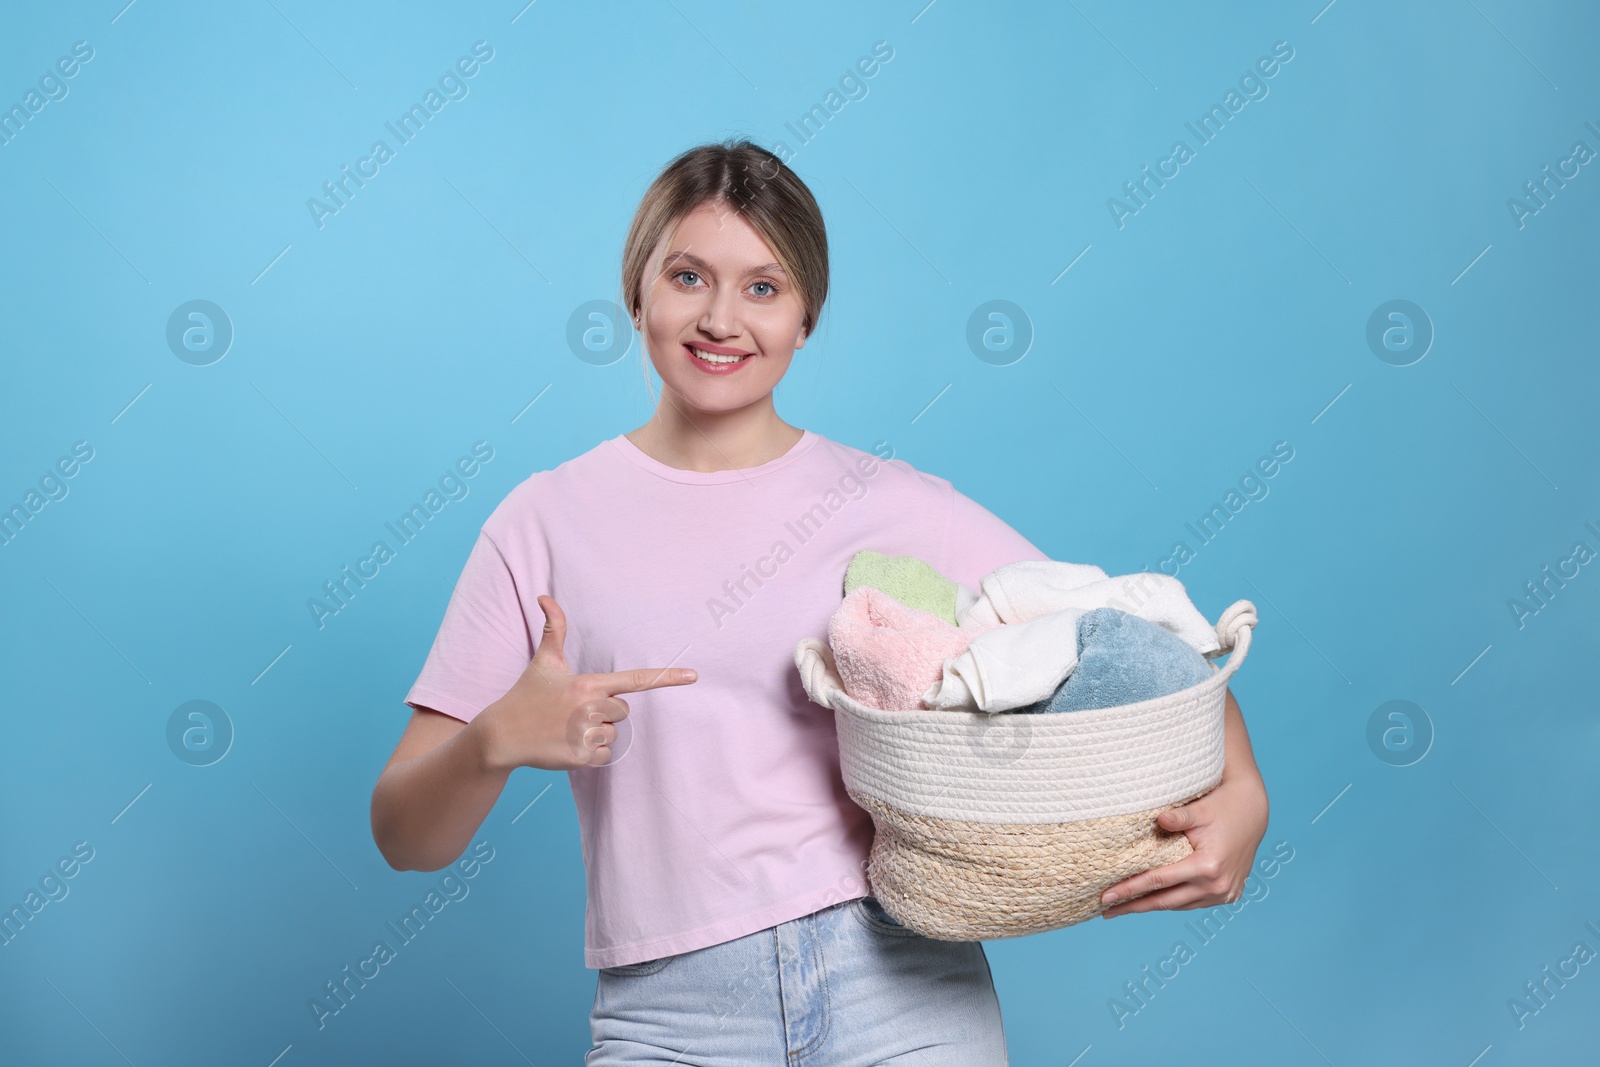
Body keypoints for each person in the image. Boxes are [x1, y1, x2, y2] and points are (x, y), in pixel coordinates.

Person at [369, 138, 1270, 1065]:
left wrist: (1245, 793)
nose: (722, 318)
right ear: (636, 292)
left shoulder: (892, 503)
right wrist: (493, 739)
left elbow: (1115, 634)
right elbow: (404, 836)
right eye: (688, 276)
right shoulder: (542, 522)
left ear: (806, 317)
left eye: (763, 287)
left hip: (905, 989)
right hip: (670, 1017)